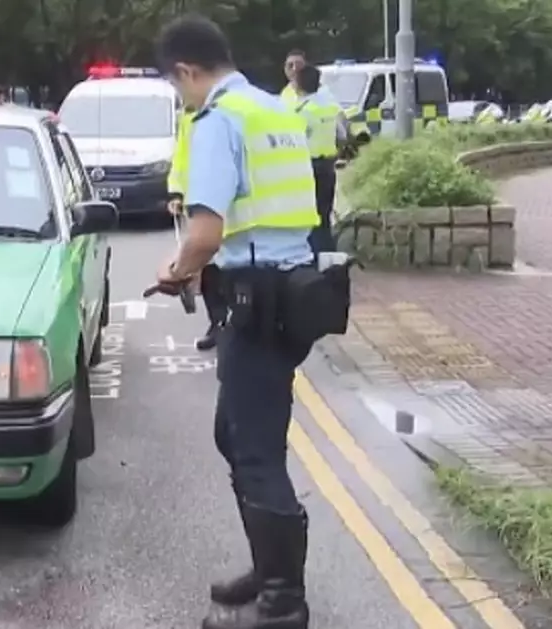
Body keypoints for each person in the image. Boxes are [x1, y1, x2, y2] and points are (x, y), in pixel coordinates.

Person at [153, 15, 320, 629]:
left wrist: (175, 269)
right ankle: (266, 570)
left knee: (254, 452)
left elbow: (205, 231)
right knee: (239, 435)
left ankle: (282, 604)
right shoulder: (275, 109)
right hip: (290, 294)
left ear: (187, 72)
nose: (182, 98)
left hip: (255, 300)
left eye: (178, 88)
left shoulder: (219, 119)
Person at [168, 105, 228, 351]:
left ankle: (234, 322)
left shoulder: (232, 112)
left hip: (233, 201)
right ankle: (218, 323)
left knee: (231, 264)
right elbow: (182, 156)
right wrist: (176, 191)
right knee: (208, 265)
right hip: (199, 200)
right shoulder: (190, 116)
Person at [291, 64, 344, 254]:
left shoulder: (300, 111)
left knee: (309, 218)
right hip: (328, 168)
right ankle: (330, 260)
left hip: (307, 169)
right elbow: (342, 136)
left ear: (298, 84)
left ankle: (313, 260)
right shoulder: (329, 108)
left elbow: (293, 142)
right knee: (325, 215)